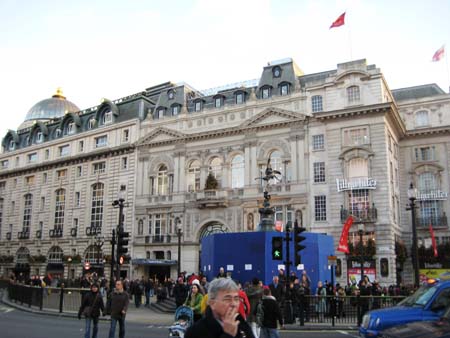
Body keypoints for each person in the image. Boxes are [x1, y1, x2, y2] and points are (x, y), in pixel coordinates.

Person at [185, 278, 255, 338]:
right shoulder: (195, 332)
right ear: (212, 303)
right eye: (227, 299)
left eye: (236, 299)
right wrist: (228, 335)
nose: (233, 304)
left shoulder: (241, 324)